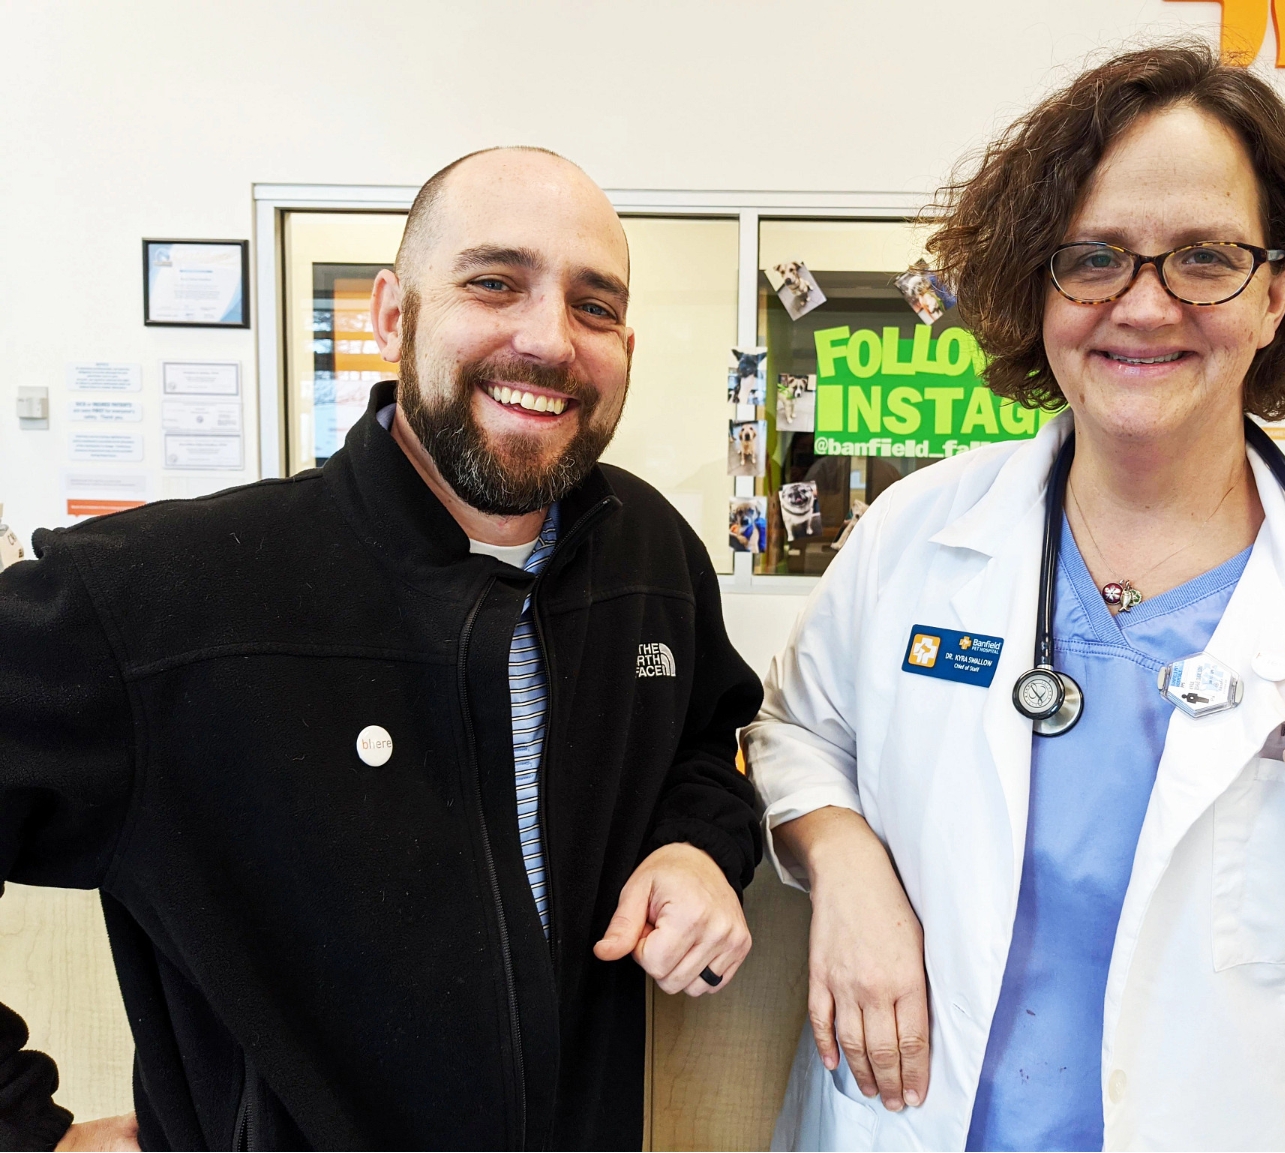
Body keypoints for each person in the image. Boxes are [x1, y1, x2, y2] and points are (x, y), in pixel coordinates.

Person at [746, 44, 1285, 1151]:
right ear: (1041, 282)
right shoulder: (914, 539)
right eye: (1096, 257)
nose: (1145, 305)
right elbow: (797, 734)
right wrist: (847, 860)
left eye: (1204, 257)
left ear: (1278, 292)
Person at [0, 147, 762, 1151]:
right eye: (495, 282)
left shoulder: (653, 555)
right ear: (391, 315)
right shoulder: (165, 596)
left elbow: (708, 742)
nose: (549, 338)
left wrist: (699, 848)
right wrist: (23, 1129)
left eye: (594, 304)